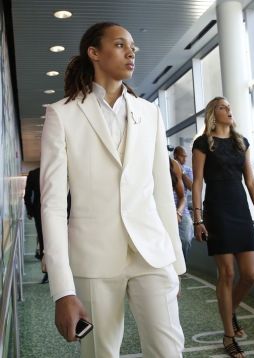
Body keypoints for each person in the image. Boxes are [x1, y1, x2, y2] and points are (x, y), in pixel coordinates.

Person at [40, 22, 186, 358]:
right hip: (94, 259)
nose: (131, 52)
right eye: (120, 45)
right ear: (94, 53)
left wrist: (175, 266)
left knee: (169, 351)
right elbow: (52, 206)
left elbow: (162, 193)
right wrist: (62, 290)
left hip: (152, 254)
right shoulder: (61, 115)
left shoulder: (149, 113)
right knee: (100, 354)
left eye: (132, 46)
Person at [192, 96, 254, 358]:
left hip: (239, 210)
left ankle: (229, 311)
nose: (229, 111)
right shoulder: (203, 143)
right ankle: (228, 335)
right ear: (214, 113)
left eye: (230, 107)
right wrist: (198, 219)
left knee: (250, 275)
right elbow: (198, 182)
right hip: (217, 211)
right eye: (223, 107)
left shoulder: (241, 142)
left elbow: (251, 181)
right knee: (226, 274)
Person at [24, 167, 48, 284]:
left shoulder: (33, 173)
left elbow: (27, 196)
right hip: (61, 211)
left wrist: (30, 211)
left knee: (44, 239)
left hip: (39, 212)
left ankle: (47, 272)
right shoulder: (58, 171)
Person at [174, 146, 194, 262]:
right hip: (168, 209)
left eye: (186, 156)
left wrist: (181, 172)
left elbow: (191, 186)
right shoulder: (169, 167)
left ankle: (182, 264)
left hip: (183, 210)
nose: (185, 158)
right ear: (176, 155)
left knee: (186, 239)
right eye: (182, 156)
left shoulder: (187, 169)